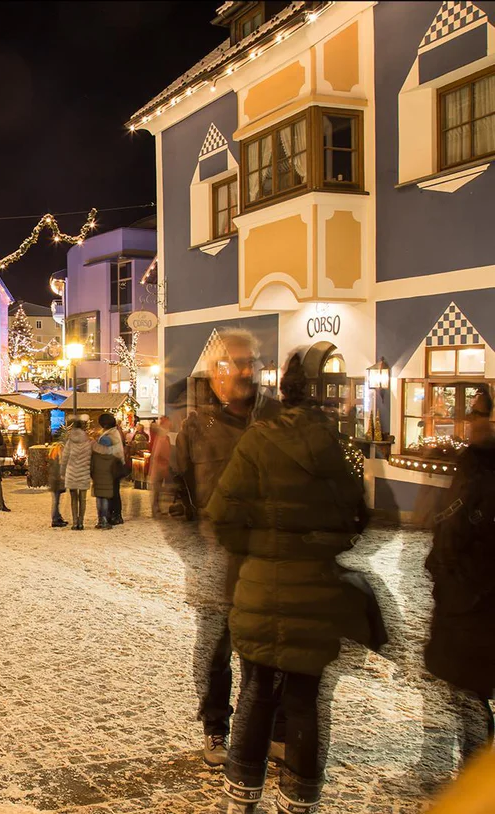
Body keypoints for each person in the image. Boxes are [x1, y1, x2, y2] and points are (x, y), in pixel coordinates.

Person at [207, 354, 370, 814]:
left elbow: (222, 514)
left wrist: (257, 546)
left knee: (257, 690)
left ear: (282, 394)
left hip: (262, 584)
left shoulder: (258, 442)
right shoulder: (339, 448)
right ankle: (298, 797)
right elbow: (361, 518)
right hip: (317, 588)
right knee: (305, 697)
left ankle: (242, 796)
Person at [172, 327, 282, 766]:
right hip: (216, 561)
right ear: (214, 373)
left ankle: (269, 731)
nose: (238, 371)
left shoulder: (277, 418)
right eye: (228, 364)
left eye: (246, 362)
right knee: (216, 651)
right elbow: (172, 496)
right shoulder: (196, 426)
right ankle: (215, 727)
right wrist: (196, 552)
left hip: (267, 560)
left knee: (267, 653)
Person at [424, 386, 495, 768]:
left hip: (477, 598)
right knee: (460, 687)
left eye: (479, 414)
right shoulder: (472, 461)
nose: (471, 422)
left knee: (469, 689)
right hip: (458, 593)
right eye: (470, 414)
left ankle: (475, 775)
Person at [61, 416, 92, 530]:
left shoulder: (70, 441)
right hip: (83, 472)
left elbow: (65, 457)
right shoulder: (87, 441)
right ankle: (81, 522)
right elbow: (90, 456)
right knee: (82, 499)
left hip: (72, 472)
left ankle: (75, 523)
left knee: (73, 498)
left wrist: (62, 470)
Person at [97, 413, 127, 525]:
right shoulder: (115, 432)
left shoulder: (107, 437)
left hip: (110, 468)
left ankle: (110, 516)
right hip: (117, 466)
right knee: (115, 492)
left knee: (110, 493)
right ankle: (117, 515)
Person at [149, 416, 174, 517]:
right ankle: (156, 510)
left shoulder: (162, 437)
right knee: (157, 490)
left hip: (160, 467)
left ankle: (157, 509)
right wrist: (165, 463)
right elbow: (159, 454)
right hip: (159, 468)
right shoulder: (162, 438)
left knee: (157, 490)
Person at [47, 442, 68, 528]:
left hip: (54, 482)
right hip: (56, 482)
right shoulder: (57, 459)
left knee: (56, 501)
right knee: (56, 501)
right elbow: (58, 471)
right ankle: (55, 519)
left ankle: (58, 517)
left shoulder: (52, 456)